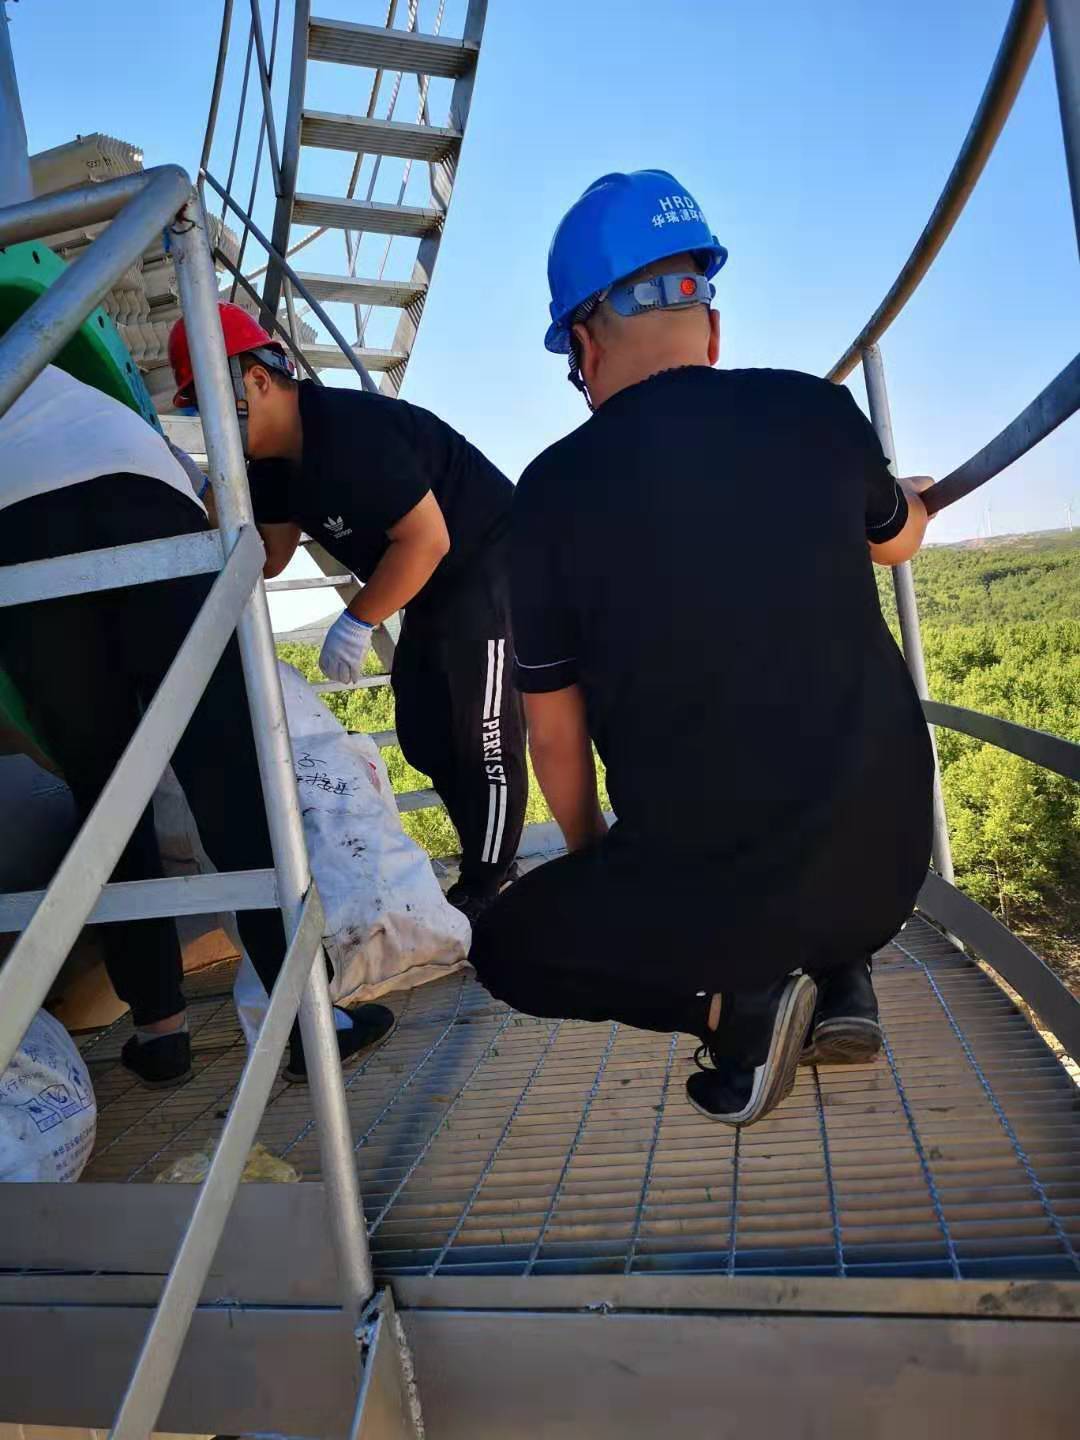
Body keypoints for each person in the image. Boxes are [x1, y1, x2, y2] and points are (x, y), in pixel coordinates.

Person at [469, 170, 935, 1128]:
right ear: (711, 328)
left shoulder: (550, 491)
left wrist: (598, 866)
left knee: (505, 948)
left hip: (718, 896)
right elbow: (898, 540)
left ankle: (737, 1011)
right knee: (809, 740)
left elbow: (553, 739)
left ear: (584, 347)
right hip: (889, 870)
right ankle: (842, 976)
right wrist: (908, 500)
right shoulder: (818, 411)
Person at [0, 362, 395, 1087]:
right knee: (225, 772)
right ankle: (309, 1023)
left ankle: (159, 1032)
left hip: (17, 518)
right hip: (148, 498)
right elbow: (214, 505)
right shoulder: (70, 382)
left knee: (105, 792)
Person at [168, 305, 527, 925]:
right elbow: (270, 556)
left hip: (492, 563)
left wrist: (357, 621)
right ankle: (484, 857)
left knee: (480, 734)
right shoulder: (272, 468)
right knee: (425, 730)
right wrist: (201, 491)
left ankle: (492, 883)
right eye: (197, 408)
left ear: (257, 380)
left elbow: (427, 539)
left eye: (210, 401)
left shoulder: (346, 432)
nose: (208, 420)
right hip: (434, 584)